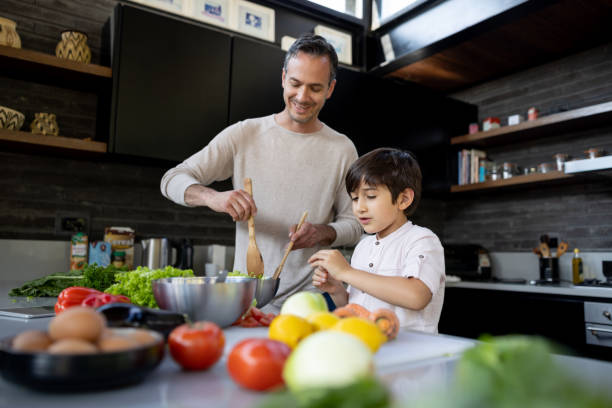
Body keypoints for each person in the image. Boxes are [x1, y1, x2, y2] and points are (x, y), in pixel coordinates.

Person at [160, 34, 362, 313]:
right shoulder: (245, 134)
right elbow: (172, 179)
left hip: (312, 302)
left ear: (331, 89)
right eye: (295, 83)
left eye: (315, 88)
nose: (302, 97)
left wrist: (321, 232)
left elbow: (355, 225)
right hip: (246, 301)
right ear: (283, 78)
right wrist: (213, 197)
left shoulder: (342, 149)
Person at [309, 148, 445, 333]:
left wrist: (346, 272)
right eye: (355, 198)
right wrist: (337, 290)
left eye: (371, 196)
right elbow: (356, 306)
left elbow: (416, 296)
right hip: (370, 347)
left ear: (403, 199)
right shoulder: (363, 246)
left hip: (412, 351)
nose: (359, 208)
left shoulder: (421, 240)